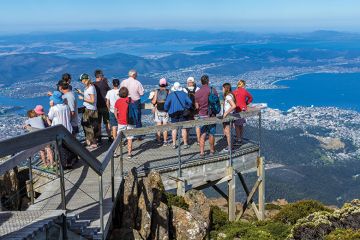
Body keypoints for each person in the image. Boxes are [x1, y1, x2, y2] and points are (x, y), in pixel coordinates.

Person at [195, 75, 219, 157]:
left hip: (202, 115)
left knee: (202, 134)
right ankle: (212, 151)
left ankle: (201, 152)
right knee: (211, 133)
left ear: (201, 82)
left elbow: (197, 106)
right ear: (208, 81)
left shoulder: (197, 93)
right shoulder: (213, 90)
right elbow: (217, 101)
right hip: (211, 115)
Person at [164, 82, 192, 149]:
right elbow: (190, 102)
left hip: (173, 113)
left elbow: (166, 104)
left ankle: (174, 144)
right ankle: (185, 143)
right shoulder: (184, 94)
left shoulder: (171, 95)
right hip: (183, 113)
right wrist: (187, 107)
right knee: (183, 128)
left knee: (174, 129)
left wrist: (166, 110)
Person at [77, 73, 98, 149]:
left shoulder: (91, 88)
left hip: (90, 110)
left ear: (85, 79)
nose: (81, 81)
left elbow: (92, 100)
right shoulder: (88, 87)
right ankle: (89, 141)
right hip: (88, 108)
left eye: (82, 80)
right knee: (86, 125)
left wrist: (82, 98)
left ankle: (93, 142)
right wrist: (81, 93)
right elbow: (88, 95)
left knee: (89, 126)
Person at [114, 87, 134, 159]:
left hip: (121, 122)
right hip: (130, 121)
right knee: (130, 138)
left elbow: (115, 112)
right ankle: (129, 153)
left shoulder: (118, 101)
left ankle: (115, 152)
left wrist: (117, 119)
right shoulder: (130, 100)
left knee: (118, 138)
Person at [232, 80, 253, 145]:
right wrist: (246, 103)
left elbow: (232, 100)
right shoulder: (245, 91)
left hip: (237, 109)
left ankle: (239, 139)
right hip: (243, 109)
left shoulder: (234, 92)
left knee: (237, 125)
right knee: (241, 124)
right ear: (243, 85)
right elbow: (251, 98)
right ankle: (241, 137)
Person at [93, 69, 111, 143]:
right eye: (102, 75)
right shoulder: (104, 84)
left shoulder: (92, 84)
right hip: (105, 106)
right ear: (100, 76)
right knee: (107, 122)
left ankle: (99, 137)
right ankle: (110, 137)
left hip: (97, 106)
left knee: (99, 123)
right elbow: (109, 91)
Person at [151, 78, 170, 146]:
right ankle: (165, 141)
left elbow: (153, 101)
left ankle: (158, 140)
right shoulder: (168, 91)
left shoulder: (157, 91)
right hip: (165, 111)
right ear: (166, 84)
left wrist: (153, 101)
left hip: (158, 110)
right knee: (165, 126)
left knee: (158, 125)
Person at [183, 76, 201, 145]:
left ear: (187, 83)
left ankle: (187, 140)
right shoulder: (198, 89)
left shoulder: (184, 90)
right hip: (196, 110)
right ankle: (198, 140)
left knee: (187, 126)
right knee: (197, 126)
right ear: (194, 83)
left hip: (187, 110)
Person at [221, 83, 236, 152]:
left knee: (227, 132)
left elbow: (233, 106)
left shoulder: (228, 97)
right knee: (229, 132)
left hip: (228, 116)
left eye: (223, 88)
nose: (222, 90)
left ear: (225, 88)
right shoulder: (231, 95)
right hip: (231, 115)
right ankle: (230, 146)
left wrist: (226, 113)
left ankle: (230, 147)